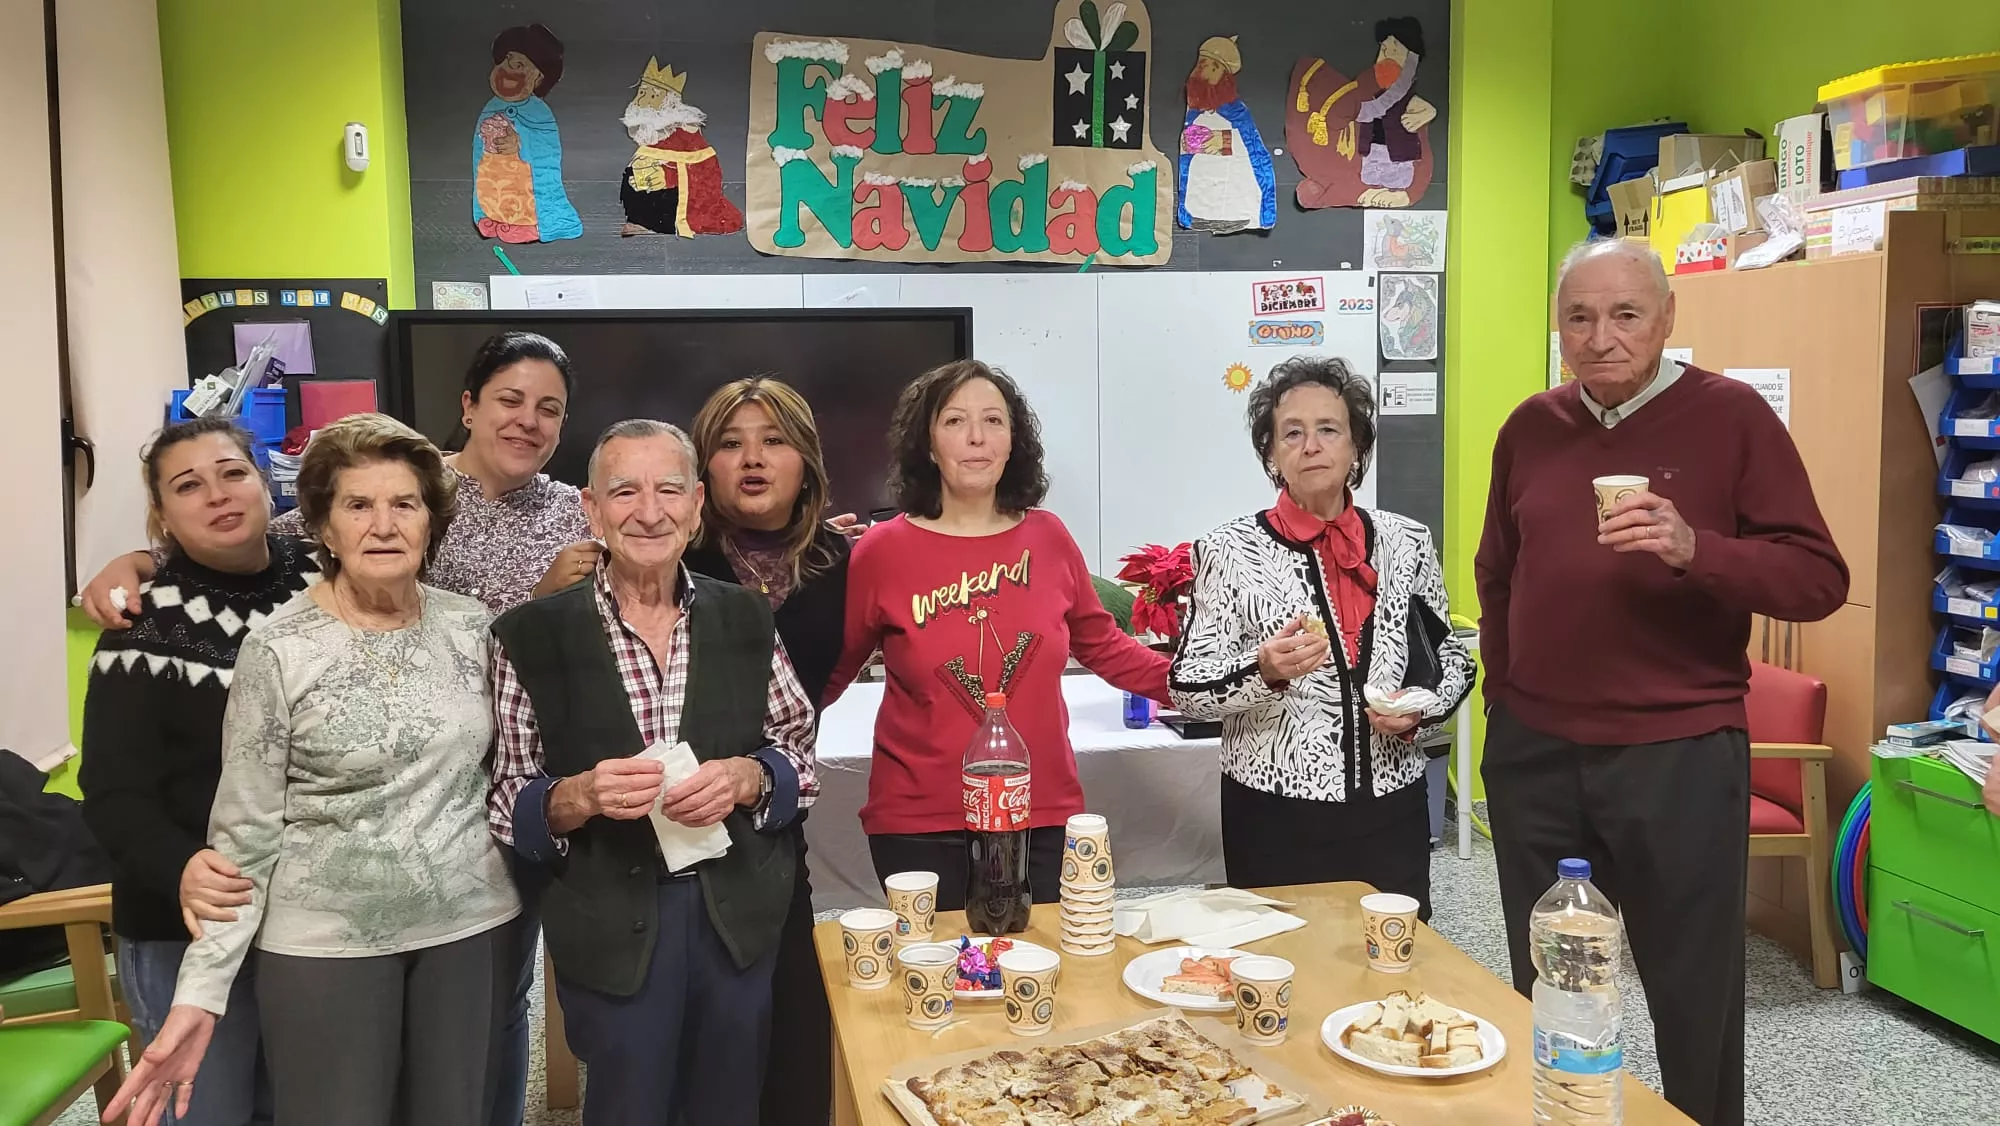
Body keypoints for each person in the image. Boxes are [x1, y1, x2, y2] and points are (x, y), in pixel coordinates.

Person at [80, 330, 591, 1126]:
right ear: (319, 526)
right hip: (324, 942)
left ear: (430, 522)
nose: (383, 524)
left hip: (470, 926)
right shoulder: (278, 647)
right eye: (359, 505)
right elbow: (242, 829)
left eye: (405, 504)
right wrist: (202, 995)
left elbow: (516, 758)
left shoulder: (474, 627)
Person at [1475, 238, 1847, 1126]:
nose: (1601, 336)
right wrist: (1504, 692)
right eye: (1580, 317)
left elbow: (1817, 580)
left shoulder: (1732, 417)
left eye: (1626, 314)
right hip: (1537, 750)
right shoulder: (1532, 425)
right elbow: (1497, 570)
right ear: (1559, 326)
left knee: (1692, 988)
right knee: (1551, 982)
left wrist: (1696, 550)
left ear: (1669, 319)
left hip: (1677, 752)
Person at [486, 420, 818, 1126]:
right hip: (610, 919)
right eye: (625, 491)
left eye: (669, 490)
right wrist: (576, 797)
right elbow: (507, 795)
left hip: (736, 915)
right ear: (591, 508)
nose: (649, 511)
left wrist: (746, 778)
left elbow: (798, 755)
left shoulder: (746, 617)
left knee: (729, 1104)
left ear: (697, 505)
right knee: (627, 1105)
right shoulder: (528, 634)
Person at [825, 360, 1170, 908]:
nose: (977, 437)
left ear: (1014, 442)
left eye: (993, 420)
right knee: (940, 984)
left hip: (1040, 814)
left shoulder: (1049, 537)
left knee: (1040, 979)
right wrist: (752, 745)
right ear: (928, 443)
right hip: (918, 821)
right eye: (955, 421)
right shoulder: (881, 552)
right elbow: (831, 671)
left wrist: (1214, 686)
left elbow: (1106, 647)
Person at [1169, 358, 1471, 917]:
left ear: (1356, 446)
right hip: (1276, 814)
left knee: (1392, 965)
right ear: (1272, 454)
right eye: (1292, 433)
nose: (1312, 446)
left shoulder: (1407, 541)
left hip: (1393, 804)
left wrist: (1422, 711)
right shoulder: (1228, 551)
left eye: (1329, 429)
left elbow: (1450, 658)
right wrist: (1265, 671)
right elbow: (1186, 687)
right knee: (1283, 968)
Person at [78, 419, 311, 1126]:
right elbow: (113, 794)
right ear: (163, 516)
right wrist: (181, 865)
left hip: (303, 919)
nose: (217, 494)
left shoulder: (324, 579)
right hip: (187, 921)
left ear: (263, 480)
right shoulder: (143, 625)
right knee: (205, 1108)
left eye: (231, 473)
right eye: (188, 485)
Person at [684, 377, 849, 1126]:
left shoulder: (843, 561)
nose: (753, 460)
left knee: (795, 1020)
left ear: (806, 461)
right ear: (703, 466)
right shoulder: (668, 555)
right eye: (730, 443)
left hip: (778, 815)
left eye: (774, 441)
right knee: (700, 1036)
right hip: (674, 820)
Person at [472, 23, 581, 243]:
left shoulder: (539, 112)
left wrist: (521, 143)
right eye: (505, 61)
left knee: (523, 196)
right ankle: (493, 216)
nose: (508, 69)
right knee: (492, 187)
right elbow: (478, 150)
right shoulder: (491, 106)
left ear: (538, 78)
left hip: (524, 179)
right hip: (495, 173)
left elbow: (546, 149)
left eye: (519, 64)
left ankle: (527, 222)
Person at [618, 57, 745, 238]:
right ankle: (640, 218)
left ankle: (654, 221)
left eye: (652, 96)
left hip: (677, 192)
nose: (642, 100)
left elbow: (698, 170)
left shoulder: (684, 133)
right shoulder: (653, 130)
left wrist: (664, 177)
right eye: (642, 93)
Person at [1176, 35, 1276, 234]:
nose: (1202, 71)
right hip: (1201, 179)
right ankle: (1200, 213)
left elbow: (1251, 147)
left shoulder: (1235, 111)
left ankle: (1230, 215)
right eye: (1201, 64)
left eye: (1210, 66)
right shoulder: (1195, 108)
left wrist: (1222, 139)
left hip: (1231, 178)